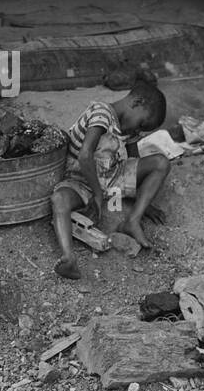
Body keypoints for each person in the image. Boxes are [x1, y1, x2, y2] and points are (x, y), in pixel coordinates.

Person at [50, 78, 170, 279]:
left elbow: (133, 160)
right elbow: (85, 155)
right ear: (136, 102)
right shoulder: (101, 113)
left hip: (112, 177)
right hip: (81, 180)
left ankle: (133, 220)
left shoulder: (128, 127)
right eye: (141, 124)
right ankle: (68, 258)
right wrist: (97, 194)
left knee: (161, 163)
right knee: (59, 199)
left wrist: (142, 197)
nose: (137, 131)